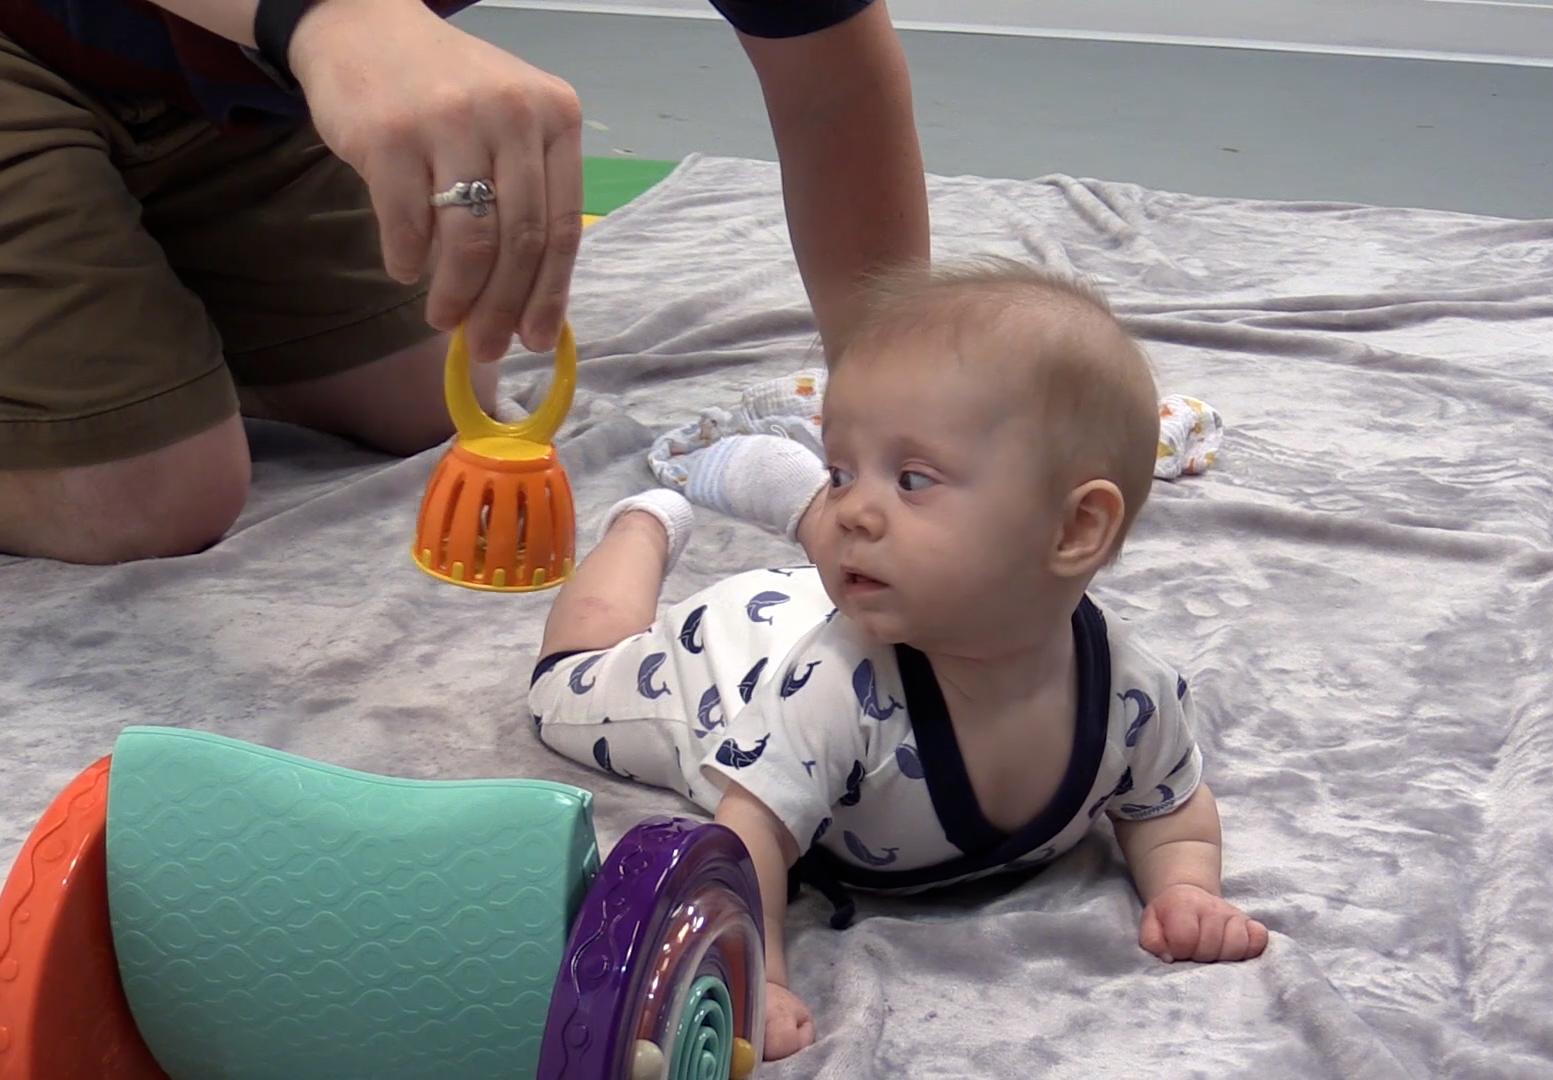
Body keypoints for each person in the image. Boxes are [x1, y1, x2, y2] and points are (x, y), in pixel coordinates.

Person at [527, 260, 1269, 1062]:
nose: (853, 510)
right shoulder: (841, 690)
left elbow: (1169, 810)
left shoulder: (1131, 695)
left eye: (912, 478)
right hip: (727, 666)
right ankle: (642, 530)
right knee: (567, 683)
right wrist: (761, 976)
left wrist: (1187, 890)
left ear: (1075, 530)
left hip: (827, 606)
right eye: (841, 475)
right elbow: (750, 841)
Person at [0, 0, 928, 564]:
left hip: (221, 80)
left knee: (439, 382)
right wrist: (336, 16)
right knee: (145, 496)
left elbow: (832, 86)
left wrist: (900, 402)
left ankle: (118, 266)